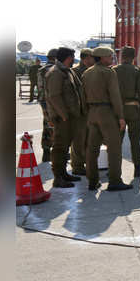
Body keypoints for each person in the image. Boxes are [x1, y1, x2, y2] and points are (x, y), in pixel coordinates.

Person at [82, 46, 131, 191]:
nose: (111, 58)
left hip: (92, 113)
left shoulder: (86, 73)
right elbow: (115, 96)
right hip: (106, 113)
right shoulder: (108, 72)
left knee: (92, 149)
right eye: (109, 56)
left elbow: (82, 97)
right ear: (102, 58)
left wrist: (88, 114)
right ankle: (115, 181)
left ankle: (92, 181)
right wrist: (121, 117)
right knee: (114, 148)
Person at [45, 47, 85, 188]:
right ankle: (58, 178)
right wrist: (63, 116)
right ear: (67, 57)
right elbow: (54, 96)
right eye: (72, 57)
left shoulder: (66, 71)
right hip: (63, 118)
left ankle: (63, 174)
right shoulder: (56, 73)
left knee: (65, 147)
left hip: (70, 117)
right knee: (60, 147)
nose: (74, 59)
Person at [113, 46, 140, 177]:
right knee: (135, 141)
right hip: (133, 109)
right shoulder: (137, 71)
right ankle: (138, 169)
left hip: (118, 111)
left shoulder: (113, 70)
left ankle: (114, 170)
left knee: (116, 142)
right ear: (134, 57)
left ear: (121, 56)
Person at [69, 48, 94, 175]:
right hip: (79, 111)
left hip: (91, 110)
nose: (94, 60)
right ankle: (77, 166)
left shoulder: (91, 71)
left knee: (90, 138)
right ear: (86, 59)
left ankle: (85, 163)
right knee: (79, 138)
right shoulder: (74, 72)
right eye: (92, 58)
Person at [37, 49, 58, 163]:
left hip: (43, 100)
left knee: (47, 125)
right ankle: (54, 152)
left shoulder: (41, 70)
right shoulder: (54, 69)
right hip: (52, 101)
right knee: (55, 126)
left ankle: (46, 151)